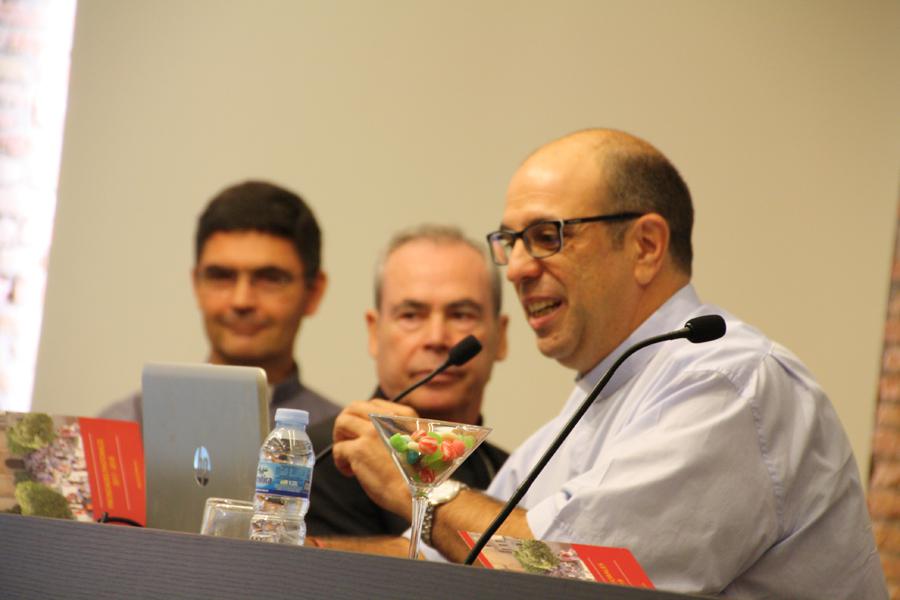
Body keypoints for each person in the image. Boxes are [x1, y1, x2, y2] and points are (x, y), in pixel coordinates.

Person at [325, 129, 887, 598]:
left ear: (645, 246)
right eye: (511, 242)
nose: (517, 268)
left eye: (546, 237)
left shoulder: (726, 382)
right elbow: (442, 554)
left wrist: (419, 484)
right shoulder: (598, 400)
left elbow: (564, 574)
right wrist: (277, 544)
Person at [305, 225, 510, 537]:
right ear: (374, 332)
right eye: (412, 315)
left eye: (461, 315)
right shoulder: (320, 460)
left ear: (501, 337)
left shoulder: (519, 471)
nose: (437, 338)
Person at [100, 180, 341, 427]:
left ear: (313, 293)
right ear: (196, 285)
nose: (241, 301)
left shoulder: (341, 446)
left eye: (270, 279)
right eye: (221, 276)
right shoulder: (127, 430)